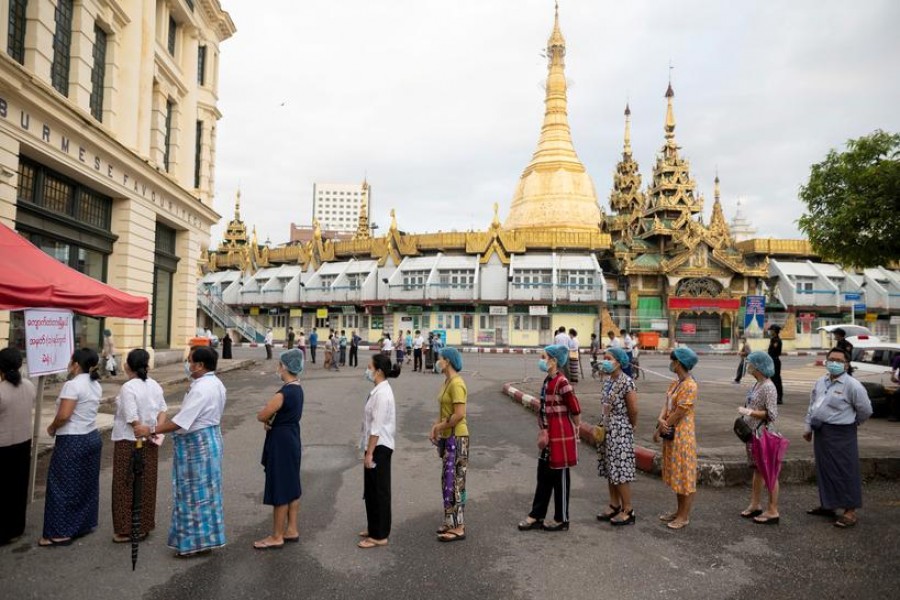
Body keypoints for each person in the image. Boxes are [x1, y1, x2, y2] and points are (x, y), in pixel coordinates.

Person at [134, 346, 227, 557]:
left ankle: (191, 545)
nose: (188, 364)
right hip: (210, 439)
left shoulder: (202, 388)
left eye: (190, 360)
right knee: (208, 494)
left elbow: (181, 421)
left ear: (200, 365)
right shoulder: (215, 383)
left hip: (197, 445)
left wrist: (150, 429)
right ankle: (205, 540)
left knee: (192, 494)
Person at [40, 349, 103, 547]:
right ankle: (82, 524)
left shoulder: (72, 385)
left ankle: (59, 533)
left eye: (71, 361)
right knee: (85, 484)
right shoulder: (95, 384)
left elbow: (64, 415)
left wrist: (51, 427)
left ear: (76, 364)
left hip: (72, 440)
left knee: (61, 486)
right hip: (91, 437)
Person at [803, 347, 872, 528]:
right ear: (826, 361)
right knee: (825, 470)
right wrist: (808, 427)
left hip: (842, 433)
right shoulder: (820, 382)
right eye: (831, 359)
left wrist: (852, 422)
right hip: (821, 431)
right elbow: (812, 405)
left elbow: (866, 410)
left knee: (845, 470)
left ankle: (850, 511)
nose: (834, 363)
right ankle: (828, 505)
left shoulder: (852, 385)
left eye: (839, 361)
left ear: (846, 365)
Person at [518, 344, 582, 532]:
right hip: (547, 437)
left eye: (543, 356)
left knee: (560, 478)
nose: (541, 360)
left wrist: (576, 429)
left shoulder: (562, 383)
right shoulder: (548, 381)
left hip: (561, 438)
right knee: (543, 476)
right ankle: (536, 515)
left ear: (553, 361)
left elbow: (575, 408)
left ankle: (562, 519)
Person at [110, 349, 168, 543]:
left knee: (125, 483)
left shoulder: (129, 387)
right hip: (150, 441)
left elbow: (131, 417)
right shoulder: (154, 385)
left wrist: (140, 428)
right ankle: (143, 526)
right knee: (147, 483)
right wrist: (155, 429)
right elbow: (163, 410)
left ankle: (127, 529)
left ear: (127, 366)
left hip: (129, 441)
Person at [254, 349, 304, 550]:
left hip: (280, 441)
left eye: (279, 364)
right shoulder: (298, 388)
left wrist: (268, 421)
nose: (278, 367)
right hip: (291, 437)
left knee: (280, 486)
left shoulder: (284, 393)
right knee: (291, 483)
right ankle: (291, 529)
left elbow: (261, 415)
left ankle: (276, 535)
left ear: (284, 367)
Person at [654, 346, 699, 530]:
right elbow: (667, 405)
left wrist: (663, 426)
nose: (671, 364)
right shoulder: (675, 383)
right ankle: (678, 511)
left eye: (672, 360)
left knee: (685, 475)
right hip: (670, 431)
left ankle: (684, 516)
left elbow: (680, 411)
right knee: (677, 476)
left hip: (682, 435)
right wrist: (660, 420)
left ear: (678, 363)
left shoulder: (690, 385)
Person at [358, 354, 400, 549]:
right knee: (371, 490)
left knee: (379, 491)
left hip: (380, 447)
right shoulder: (378, 390)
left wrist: (370, 453)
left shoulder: (383, 394)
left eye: (369, 367)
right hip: (374, 445)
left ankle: (380, 535)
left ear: (379, 371)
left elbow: (377, 427)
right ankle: (373, 527)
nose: (367, 370)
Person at [595, 347, 638, 526]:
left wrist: (631, 426)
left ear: (619, 362)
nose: (605, 361)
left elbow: (633, 409)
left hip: (620, 430)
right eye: (604, 358)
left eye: (609, 358)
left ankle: (628, 509)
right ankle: (614, 504)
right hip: (607, 429)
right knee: (610, 470)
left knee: (620, 471)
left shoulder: (626, 382)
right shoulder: (608, 382)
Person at [430, 347, 469, 543]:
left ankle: (459, 526)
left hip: (458, 437)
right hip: (448, 436)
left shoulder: (457, 384)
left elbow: (459, 414)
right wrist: (436, 428)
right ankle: (449, 520)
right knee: (447, 480)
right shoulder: (447, 382)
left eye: (440, 359)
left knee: (456, 482)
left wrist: (440, 426)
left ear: (448, 361)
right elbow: (444, 410)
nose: (438, 361)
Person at [737, 351, 780, 524]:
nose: (748, 365)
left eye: (751, 363)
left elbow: (772, 414)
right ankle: (755, 504)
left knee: (769, 472)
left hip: (764, 435)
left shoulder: (768, 386)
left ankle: (773, 510)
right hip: (753, 434)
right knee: (757, 470)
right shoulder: (757, 384)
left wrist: (749, 412)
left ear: (759, 366)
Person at [0, 347, 36, 545]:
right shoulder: (29, 386)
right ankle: (16, 527)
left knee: (4, 489)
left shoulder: (1, 391)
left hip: (3, 445)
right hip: (23, 442)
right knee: (18, 487)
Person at [767, 325, 783, 404]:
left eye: (771, 330)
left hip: (775, 361)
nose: (770, 331)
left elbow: (774, 352)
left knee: (776, 380)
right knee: (772, 379)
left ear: (774, 331)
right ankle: (774, 397)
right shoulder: (773, 339)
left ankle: (779, 398)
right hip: (771, 360)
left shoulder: (777, 340)